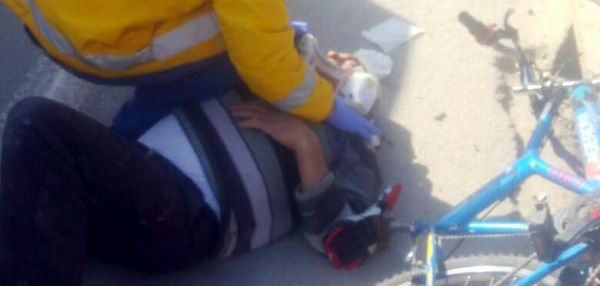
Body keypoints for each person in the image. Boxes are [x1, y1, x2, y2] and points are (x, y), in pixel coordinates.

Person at [0, 83, 398, 286]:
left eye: (353, 76)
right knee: (27, 178)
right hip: (132, 167)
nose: (341, 63)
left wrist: (304, 142)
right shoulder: (278, 82)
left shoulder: (351, 153)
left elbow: (343, 241)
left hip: (187, 214)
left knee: (36, 123)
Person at [2, 0, 378, 139]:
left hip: (48, 28)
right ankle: (133, 129)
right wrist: (326, 106)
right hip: (107, 49)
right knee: (235, 50)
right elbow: (263, 66)